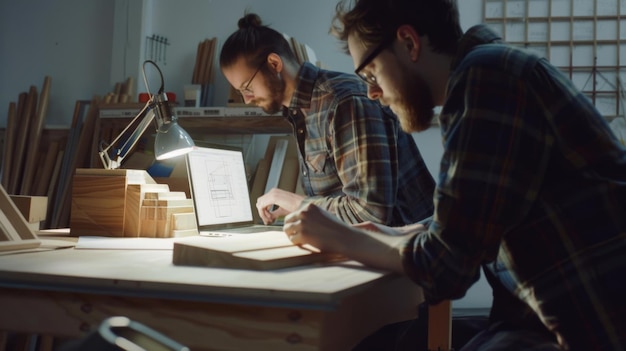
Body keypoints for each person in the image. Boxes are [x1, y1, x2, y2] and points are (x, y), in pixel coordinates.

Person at [283, 0, 626, 350]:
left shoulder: (488, 78)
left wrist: (339, 236)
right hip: (543, 315)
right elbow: (475, 219)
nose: (371, 93)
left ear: (408, 42)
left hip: (593, 326)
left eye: (370, 75)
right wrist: (402, 232)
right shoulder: (489, 71)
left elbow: (445, 268)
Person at [219, 13, 436, 227]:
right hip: (360, 247)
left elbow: (371, 213)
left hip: (403, 249)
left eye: (247, 88)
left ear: (274, 64)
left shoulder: (343, 102)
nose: (246, 100)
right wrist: (301, 209)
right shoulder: (301, 111)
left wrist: (299, 204)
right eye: (241, 93)